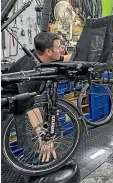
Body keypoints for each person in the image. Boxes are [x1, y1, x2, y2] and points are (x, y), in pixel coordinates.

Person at [2, 32, 71, 163]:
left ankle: (40, 155)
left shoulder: (43, 56)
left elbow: (66, 58)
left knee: (40, 118)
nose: (61, 49)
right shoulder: (32, 72)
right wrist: (43, 135)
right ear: (49, 51)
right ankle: (32, 163)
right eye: (58, 47)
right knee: (30, 129)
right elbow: (30, 107)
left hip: (27, 95)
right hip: (12, 99)